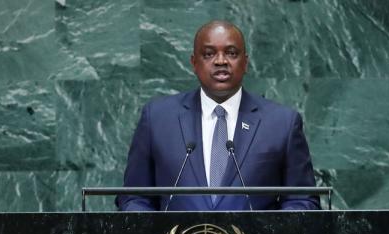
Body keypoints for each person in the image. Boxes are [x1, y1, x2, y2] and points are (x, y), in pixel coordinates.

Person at [117, 20, 320, 211]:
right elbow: (134, 196)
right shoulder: (158, 118)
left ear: (245, 63)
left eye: (231, 53)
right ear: (194, 63)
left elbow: (302, 199)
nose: (221, 61)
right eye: (208, 54)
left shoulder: (282, 123)